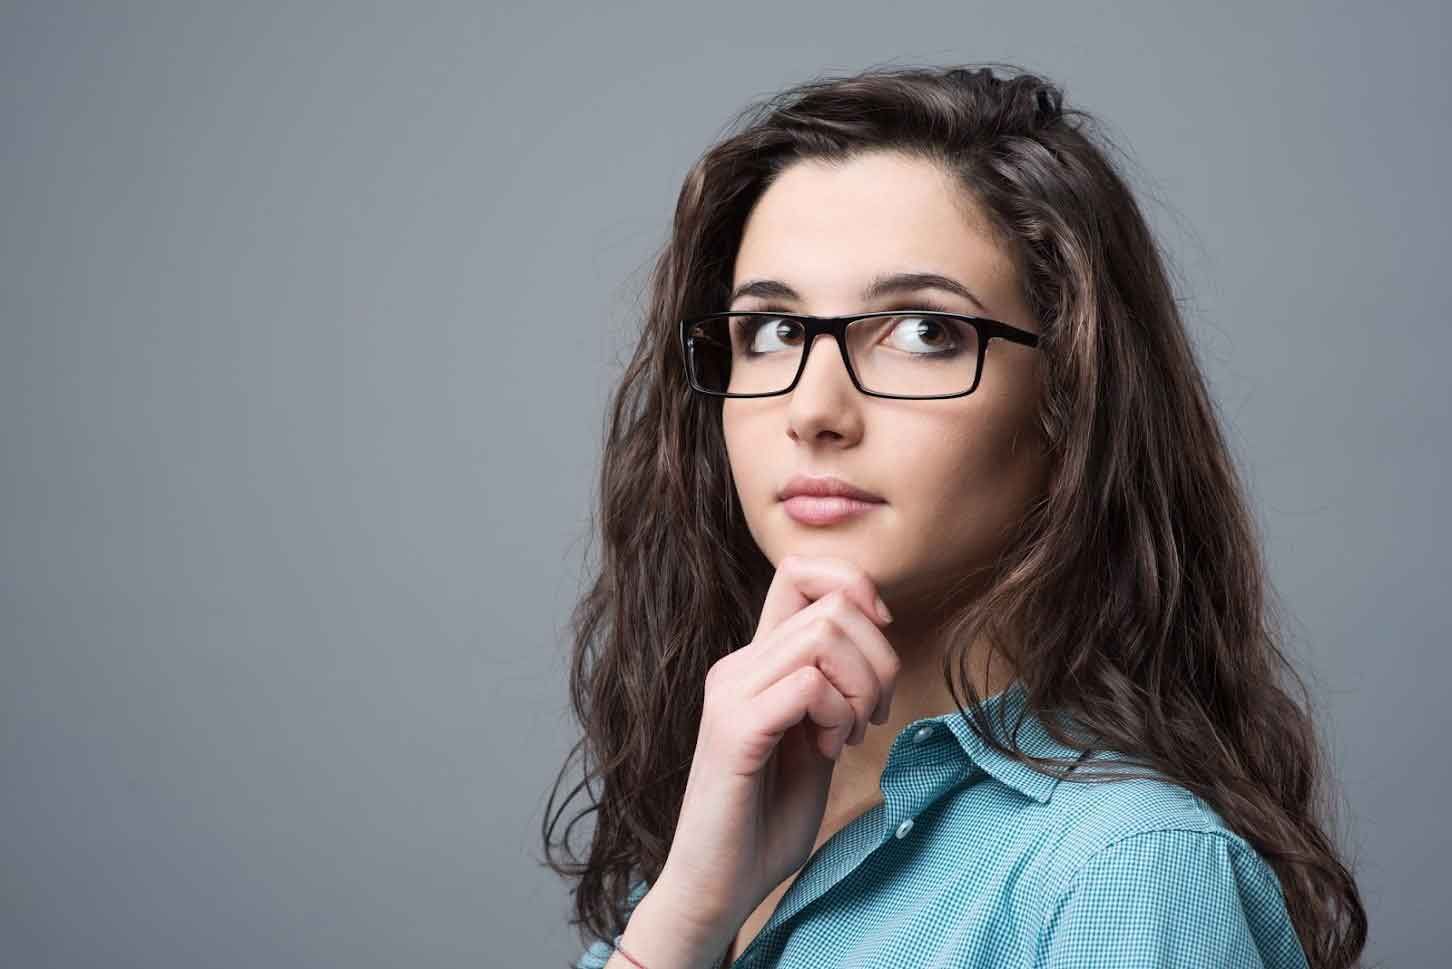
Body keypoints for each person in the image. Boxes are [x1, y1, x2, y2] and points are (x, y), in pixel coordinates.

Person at [541, 63, 1366, 969]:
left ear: (1070, 400)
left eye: (925, 330)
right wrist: (685, 912)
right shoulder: (717, 836)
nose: (814, 409)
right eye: (772, 330)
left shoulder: (1127, 874)